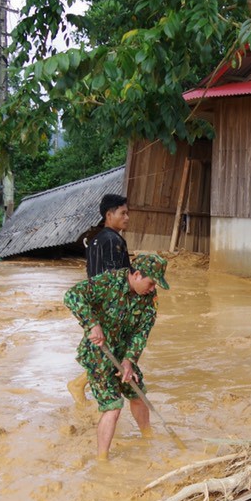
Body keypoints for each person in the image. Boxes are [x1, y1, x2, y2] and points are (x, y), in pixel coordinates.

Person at [63, 254, 170, 462]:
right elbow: (72, 295)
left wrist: (129, 360)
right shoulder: (109, 281)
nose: (152, 288)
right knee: (113, 406)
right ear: (137, 275)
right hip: (98, 352)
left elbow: (142, 331)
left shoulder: (149, 298)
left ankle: (148, 437)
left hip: (123, 353)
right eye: (150, 282)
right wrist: (92, 324)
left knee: (138, 394)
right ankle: (102, 460)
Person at [69, 193, 133, 404]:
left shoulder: (96, 239)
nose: (127, 218)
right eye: (123, 213)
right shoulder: (114, 241)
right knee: (109, 351)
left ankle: (80, 385)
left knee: (102, 350)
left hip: (95, 304)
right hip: (110, 306)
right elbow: (117, 279)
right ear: (109, 214)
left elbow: (94, 278)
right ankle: (80, 386)